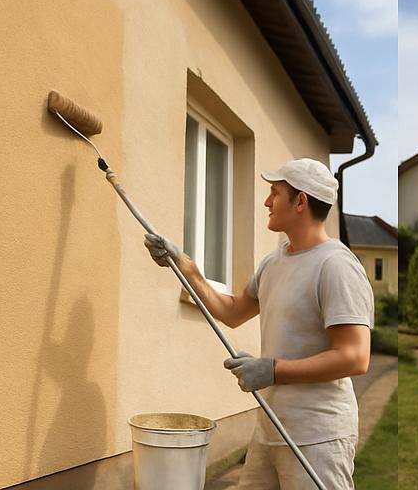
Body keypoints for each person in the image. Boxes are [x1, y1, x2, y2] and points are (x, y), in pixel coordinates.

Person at [144, 158, 374, 489]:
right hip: (271, 429)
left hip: (317, 436)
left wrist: (272, 370)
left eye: (275, 193)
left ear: (300, 202)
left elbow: (354, 357)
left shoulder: (336, 266)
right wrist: (185, 266)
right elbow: (232, 311)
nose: (267, 202)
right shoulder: (274, 262)